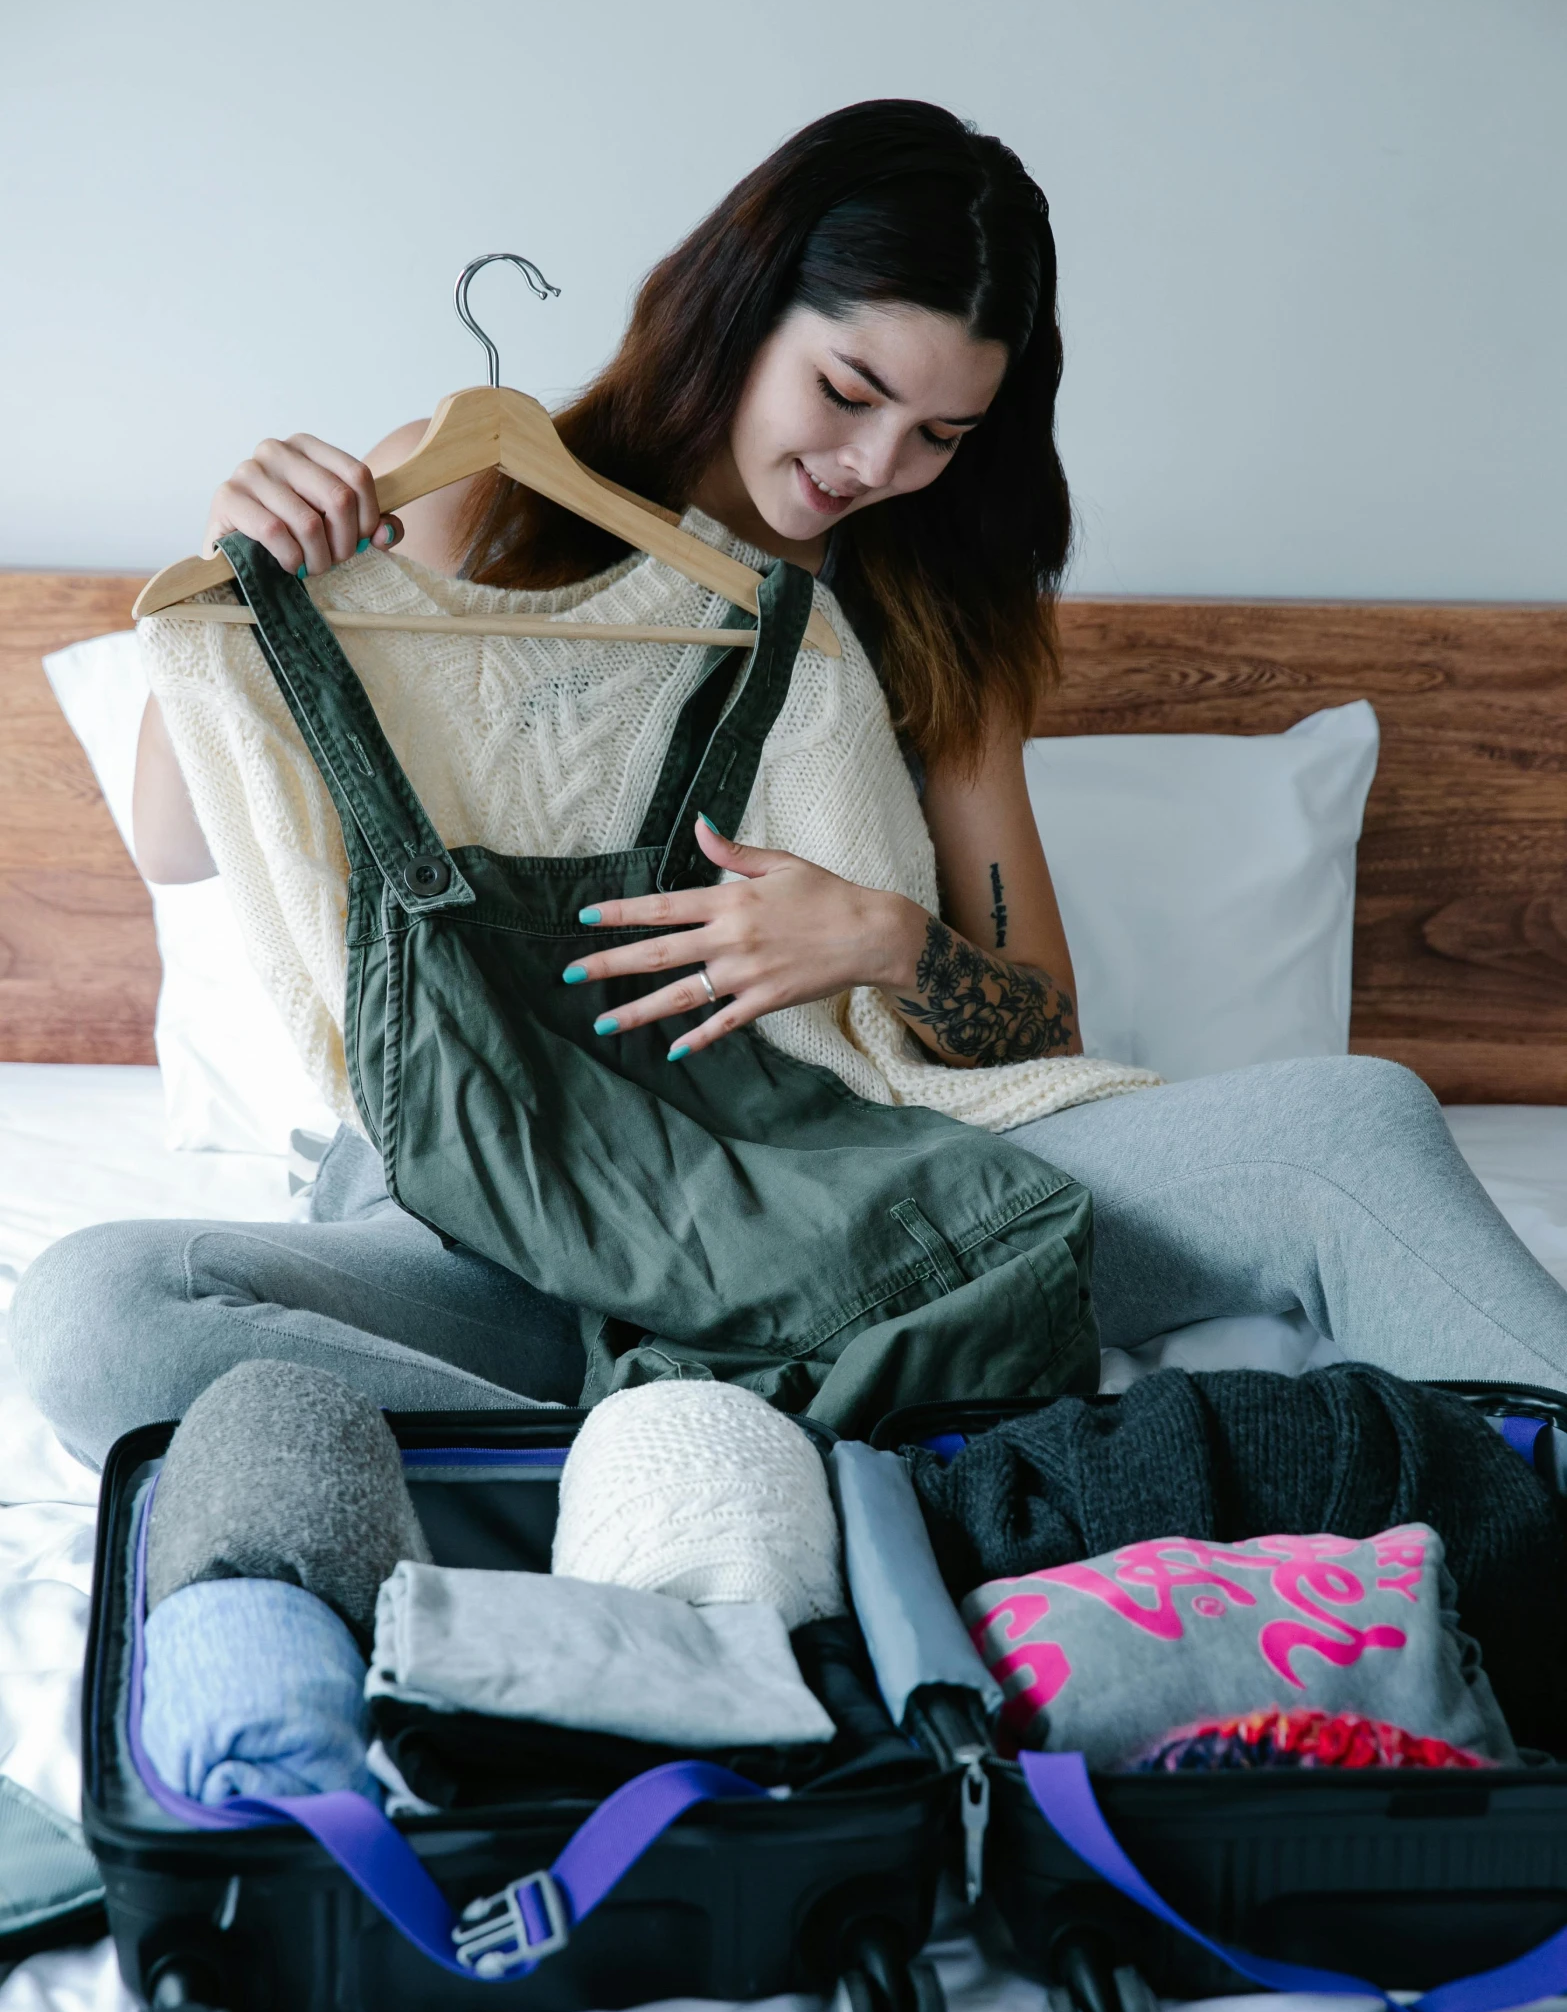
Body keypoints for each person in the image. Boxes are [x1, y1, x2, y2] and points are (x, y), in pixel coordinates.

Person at [16, 100, 1567, 1465]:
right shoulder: (477, 494)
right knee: (99, 1311)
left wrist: (881, 941)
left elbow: (1041, 1017)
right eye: (847, 389)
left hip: (878, 1197)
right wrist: (245, 582)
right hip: (510, 1207)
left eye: (939, 433)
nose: (875, 465)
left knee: (1350, 1125)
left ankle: (683, 1449)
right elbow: (175, 841)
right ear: (742, 308)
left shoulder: (926, 617)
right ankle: (706, 1455)